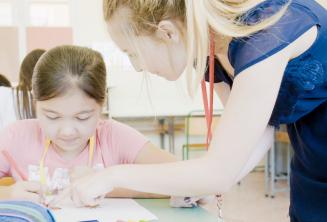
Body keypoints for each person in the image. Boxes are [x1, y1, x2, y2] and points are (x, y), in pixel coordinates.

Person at [64, 0, 327, 221]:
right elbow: (258, 135)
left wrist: (112, 175)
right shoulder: (213, 51)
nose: (136, 67)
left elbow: (218, 173)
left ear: (167, 32)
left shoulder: (265, 36)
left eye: (131, 52)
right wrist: (196, 186)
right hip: (311, 163)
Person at [0, 45, 176, 204]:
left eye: (82, 117)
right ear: (35, 103)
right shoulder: (15, 136)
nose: (67, 132)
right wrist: (7, 194)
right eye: (52, 116)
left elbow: (185, 179)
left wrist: (109, 184)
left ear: (102, 105)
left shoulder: (115, 137)